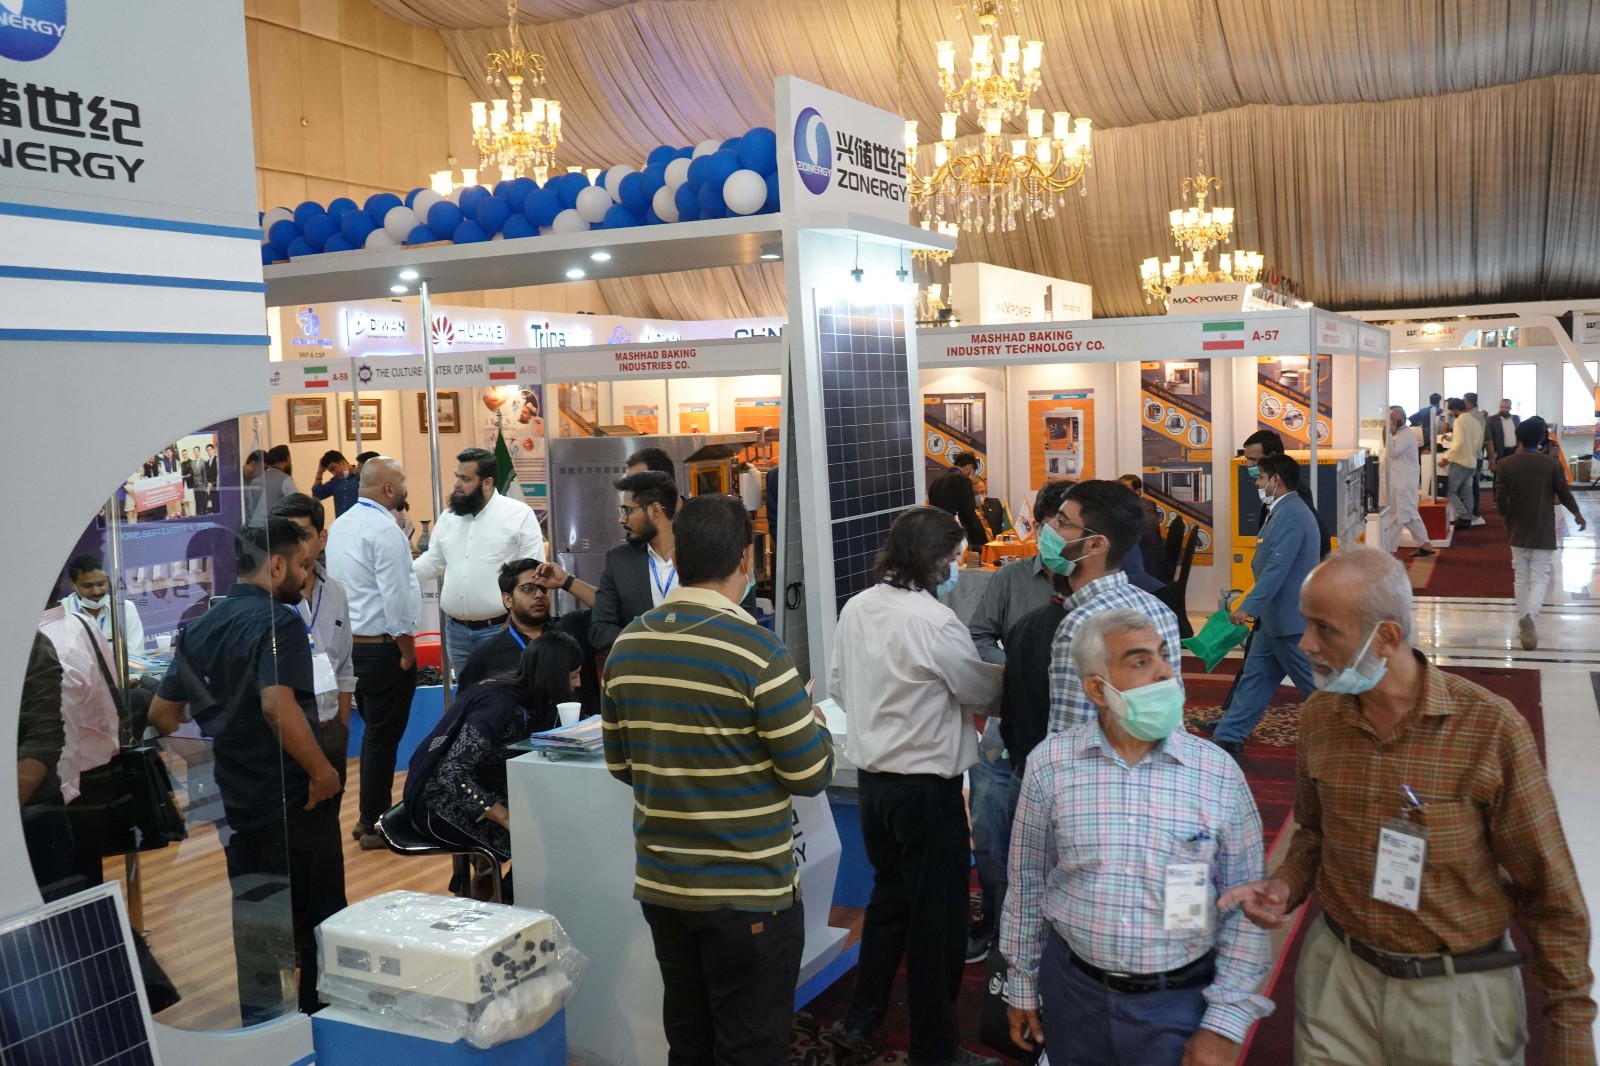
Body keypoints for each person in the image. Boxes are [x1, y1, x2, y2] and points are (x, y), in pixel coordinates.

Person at [1222, 547, 1596, 1065]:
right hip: (1340, 981)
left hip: (1456, 996)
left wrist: (1572, 1028)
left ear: (1387, 637)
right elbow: (1313, 830)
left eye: (1324, 628)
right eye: (1306, 623)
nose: (1305, 644)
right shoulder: (1320, 717)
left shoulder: (1488, 729)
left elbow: (1549, 890)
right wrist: (1286, 883)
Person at [601, 494, 834, 1065]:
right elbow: (809, 773)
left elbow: (621, 765)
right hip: (748, 894)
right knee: (751, 1045)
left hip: (664, 886)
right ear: (746, 560)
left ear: (677, 556)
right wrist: (816, 726)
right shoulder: (759, 652)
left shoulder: (628, 643)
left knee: (689, 1039)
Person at [1002, 609, 1272, 1065]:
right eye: (1140, 661)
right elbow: (1027, 884)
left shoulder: (1216, 772)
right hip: (1073, 995)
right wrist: (1022, 983)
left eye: (1164, 655)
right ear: (1097, 690)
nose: (1165, 671)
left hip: (1178, 1001)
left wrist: (1224, 1022)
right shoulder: (1051, 765)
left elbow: (1246, 906)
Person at [826, 505, 1005, 1066]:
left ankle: (860, 1020)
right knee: (938, 923)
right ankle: (936, 1048)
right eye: (954, 559)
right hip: (927, 790)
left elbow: (837, 683)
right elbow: (979, 691)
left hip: (874, 787)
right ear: (933, 560)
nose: (957, 569)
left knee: (888, 902)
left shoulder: (857, 606)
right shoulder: (934, 621)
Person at [149, 518, 345, 1023]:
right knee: (318, 919)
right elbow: (277, 706)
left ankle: (264, 1028)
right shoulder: (280, 623)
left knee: (256, 917)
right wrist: (321, 772)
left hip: (237, 797)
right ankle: (320, 1027)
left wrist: (214, 760)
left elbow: (162, 714)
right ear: (276, 564)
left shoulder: (199, 627)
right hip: (294, 794)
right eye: (302, 565)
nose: (306, 577)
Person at [961, 479, 1071, 965]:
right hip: (1005, 730)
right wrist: (1009, 664)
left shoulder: (1094, 590)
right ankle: (994, 917)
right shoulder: (1009, 579)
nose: (1059, 535)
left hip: (1062, 738)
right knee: (990, 833)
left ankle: (1051, 934)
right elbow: (978, 635)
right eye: (1054, 524)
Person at [406, 632, 585, 904]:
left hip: (482, 788)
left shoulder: (534, 698)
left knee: (555, 820)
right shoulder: (498, 704)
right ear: (552, 675)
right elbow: (452, 772)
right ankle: (505, 905)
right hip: (436, 801)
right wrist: (505, 817)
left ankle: (501, 894)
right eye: (573, 675)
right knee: (540, 836)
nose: (577, 683)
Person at [325, 456, 422, 850]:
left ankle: (367, 816)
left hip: (350, 649)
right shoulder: (385, 530)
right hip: (383, 650)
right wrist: (407, 651)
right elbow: (396, 599)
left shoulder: (342, 524)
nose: (405, 488)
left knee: (372, 735)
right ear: (388, 489)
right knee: (383, 739)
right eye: (402, 482)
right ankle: (374, 824)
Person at [1046, 480, 1183, 736]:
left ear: (1095, 545)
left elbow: (1071, 734)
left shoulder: (1079, 625)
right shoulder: (1158, 608)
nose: (1049, 529)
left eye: (1062, 522)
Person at [1209, 454, 1321, 758]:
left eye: (1260, 478)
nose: (1257, 484)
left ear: (1276, 479)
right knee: (1255, 679)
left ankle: (1349, 735)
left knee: (1316, 688)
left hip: (1287, 620)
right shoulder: (1283, 510)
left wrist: (1249, 607)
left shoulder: (1291, 514)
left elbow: (1276, 568)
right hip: (1274, 621)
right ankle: (1229, 736)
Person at [413, 448, 547, 674]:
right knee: (466, 693)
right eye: (457, 476)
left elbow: (533, 572)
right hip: (456, 631)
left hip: (500, 629)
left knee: (500, 691)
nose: (457, 484)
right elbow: (434, 562)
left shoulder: (518, 515)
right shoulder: (449, 517)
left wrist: (518, 619)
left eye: (465, 479)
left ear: (487, 483)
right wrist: (401, 574)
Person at [272, 494, 357, 817]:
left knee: (328, 828)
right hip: (284, 738)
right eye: (287, 535)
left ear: (322, 538)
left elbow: (344, 667)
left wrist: (340, 730)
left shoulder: (335, 592)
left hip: (329, 729)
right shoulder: (268, 598)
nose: (295, 545)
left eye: (303, 535)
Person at [39, 596, 122, 886]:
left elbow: (62, 743)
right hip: (95, 773)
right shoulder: (79, 621)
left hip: (70, 788)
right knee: (86, 878)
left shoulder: (50, 649)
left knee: (69, 887)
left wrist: (54, 805)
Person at [456, 558, 600, 717]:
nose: (538, 595)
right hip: (523, 732)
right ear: (508, 600)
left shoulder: (573, 627)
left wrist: (566, 581)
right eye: (528, 589)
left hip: (582, 728)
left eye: (543, 588)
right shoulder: (486, 655)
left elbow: (612, 607)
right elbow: (465, 710)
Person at [1495, 416, 1586, 650]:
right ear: (1542, 439)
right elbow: (1563, 493)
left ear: (1518, 438)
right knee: (1540, 576)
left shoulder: (1505, 464)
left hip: (1517, 527)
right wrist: (1577, 514)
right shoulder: (1551, 464)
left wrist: (1506, 515)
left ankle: (1523, 620)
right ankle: (1530, 617)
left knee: (1520, 576)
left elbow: (1500, 499)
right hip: (1542, 526)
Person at [591, 471, 707, 655]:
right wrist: (646, 648)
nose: (621, 519)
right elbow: (601, 628)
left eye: (627, 510)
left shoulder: (704, 555)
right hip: (640, 666)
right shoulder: (618, 561)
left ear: (655, 510)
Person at [1241, 429, 1330, 558]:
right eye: (1247, 459)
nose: (1249, 465)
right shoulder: (1274, 486)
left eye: (1253, 459)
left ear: (1272, 456)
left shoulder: (1293, 489)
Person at [61, 553, 145, 654]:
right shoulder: (61, 612)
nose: (96, 592)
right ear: (72, 585)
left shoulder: (125, 608)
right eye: (87, 586)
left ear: (108, 581)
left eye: (101, 584)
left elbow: (135, 654)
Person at [1385, 406, 1436, 558]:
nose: (1390, 422)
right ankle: (1425, 544)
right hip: (1401, 482)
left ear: (1400, 419)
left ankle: (1389, 551)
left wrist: (1388, 432)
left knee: (1397, 516)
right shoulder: (1399, 434)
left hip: (1402, 483)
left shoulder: (1405, 435)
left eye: (1392, 419)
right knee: (1410, 514)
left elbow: (1394, 453)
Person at [927, 451, 988, 554]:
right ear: (970, 467)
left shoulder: (937, 481)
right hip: (956, 532)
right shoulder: (963, 480)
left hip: (938, 532)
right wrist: (983, 539)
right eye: (972, 472)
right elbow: (969, 512)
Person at [1119, 473, 1175, 584]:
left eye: (1125, 491)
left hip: (1148, 574)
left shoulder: (1137, 513)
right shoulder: (1148, 505)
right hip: (1156, 571)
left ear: (1138, 492)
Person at [1438, 397, 1485, 528]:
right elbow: (1476, 442)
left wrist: (1446, 458)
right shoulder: (1475, 421)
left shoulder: (1459, 421)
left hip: (1460, 462)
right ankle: (1468, 517)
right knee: (1467, 491)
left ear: (1455, 410)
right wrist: (1450, 437)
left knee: (1450, 490)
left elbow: (1459, 443)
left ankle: (1463, 516)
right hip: (1472, 461)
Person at [244, 445, 299, 519]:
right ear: (287, 459)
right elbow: (297, 506)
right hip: (279, 524)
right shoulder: (286, 479)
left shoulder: (255, 481)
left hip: (259, 524)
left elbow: (251, 510)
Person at [312, 449, 361, 516]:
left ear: (342, 463)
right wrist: (320, 472)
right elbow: (316, 495)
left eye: (334, 469)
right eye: (331, 471)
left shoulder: (361, 476)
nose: (334, 473)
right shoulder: (335, 481)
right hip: (342, 521)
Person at [1463, 392, 1489, 517]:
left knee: (1472, 483)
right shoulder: (1478, 415)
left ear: (1469, 403)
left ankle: (1474, 510)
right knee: (1473, 482)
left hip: (1473, 454)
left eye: (1464, 401)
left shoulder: (1472, 416)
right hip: (1476, 453)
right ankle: (1474, 508)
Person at [1487, 398, 1521, 465]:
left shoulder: (1516, 418)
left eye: (1507, 407)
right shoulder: (1492, 420)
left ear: (1510, 408)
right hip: (1499, 452)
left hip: (1514, 451)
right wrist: (1491, 455)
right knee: (1500, 470)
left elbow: (1519, 433)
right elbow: (1488, 439)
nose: (1504, 409)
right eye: (1502, 407)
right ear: (1499, 407)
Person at [196, 443, 220, 515]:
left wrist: (213, 483)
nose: (209, 451)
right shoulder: (207, 462)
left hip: (218, 486)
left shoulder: (217, 459)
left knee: (218, 503)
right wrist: (208, 485)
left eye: (210, 449)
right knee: (213, 503)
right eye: (207, 450)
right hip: (210, 487)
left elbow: (218, 474)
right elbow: (207, 475)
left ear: (213, 450)